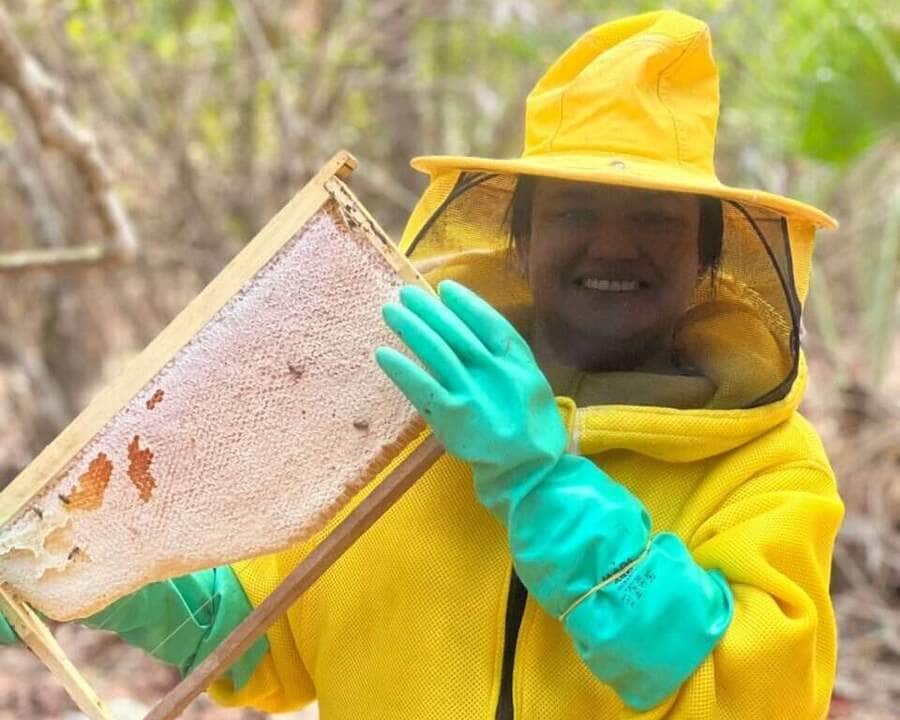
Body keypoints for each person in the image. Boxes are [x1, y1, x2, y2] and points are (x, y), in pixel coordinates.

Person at [1, 10, 844, 719]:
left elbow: (750, 695)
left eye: (655, 219)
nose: (613, 243)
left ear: (707, 258)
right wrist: (82, 573)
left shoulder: (768, 468)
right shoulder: (399, 422)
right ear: (520, 237)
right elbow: (266, 642)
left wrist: (541, 485)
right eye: (576, 209)